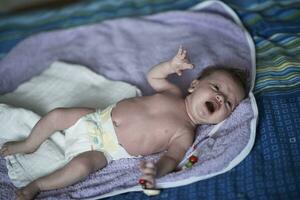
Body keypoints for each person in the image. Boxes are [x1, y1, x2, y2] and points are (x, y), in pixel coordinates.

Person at [0, 47, 246, 200]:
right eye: (215, 88)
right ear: (194, 85)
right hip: (97, 117)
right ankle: (29, 143)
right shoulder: (172, 92)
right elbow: (153, 76)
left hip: (106, 151)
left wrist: (154, 172)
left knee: (82, 167)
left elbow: (171, 159)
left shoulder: (184, 133)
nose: (219, 98)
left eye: (228, 103)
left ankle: (37, 185)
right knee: (57, 115)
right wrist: (170, 66)